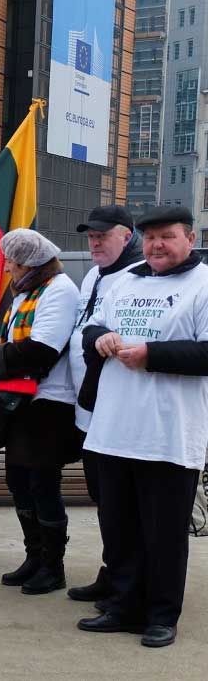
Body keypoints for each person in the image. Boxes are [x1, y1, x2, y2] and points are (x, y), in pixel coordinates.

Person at [77, 206, 208, 648]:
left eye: (167, 237)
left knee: (164, 533)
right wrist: (98, 338)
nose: (157, 245)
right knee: (119, 528)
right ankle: (123, 605)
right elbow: (90, 327)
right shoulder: (125, 280)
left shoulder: (203, 284)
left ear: (189, 239)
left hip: (169, 434)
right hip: (114, 429)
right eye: (150, 237)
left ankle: (161, 614)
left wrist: (152, 354)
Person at [0, 229, 80, 595]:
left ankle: (53, 566)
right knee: (18, 481)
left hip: (48, 405)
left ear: (27, 263)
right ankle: (34, 556)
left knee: (42, 484)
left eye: (10, 261)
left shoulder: (59, 290)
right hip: (20, 400)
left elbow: (43, 349)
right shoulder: (25, 290)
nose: (5, 266)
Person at [66, 206, 143, 603]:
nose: (94, 242)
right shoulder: (95, 275)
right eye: (90, 236)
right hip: (87, 410)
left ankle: (128, 579)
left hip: (117, 412)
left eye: (102, 235)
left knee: (122, 502)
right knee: (103, 498)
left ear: (126, 236)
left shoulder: (139, 276)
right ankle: (114, 570)